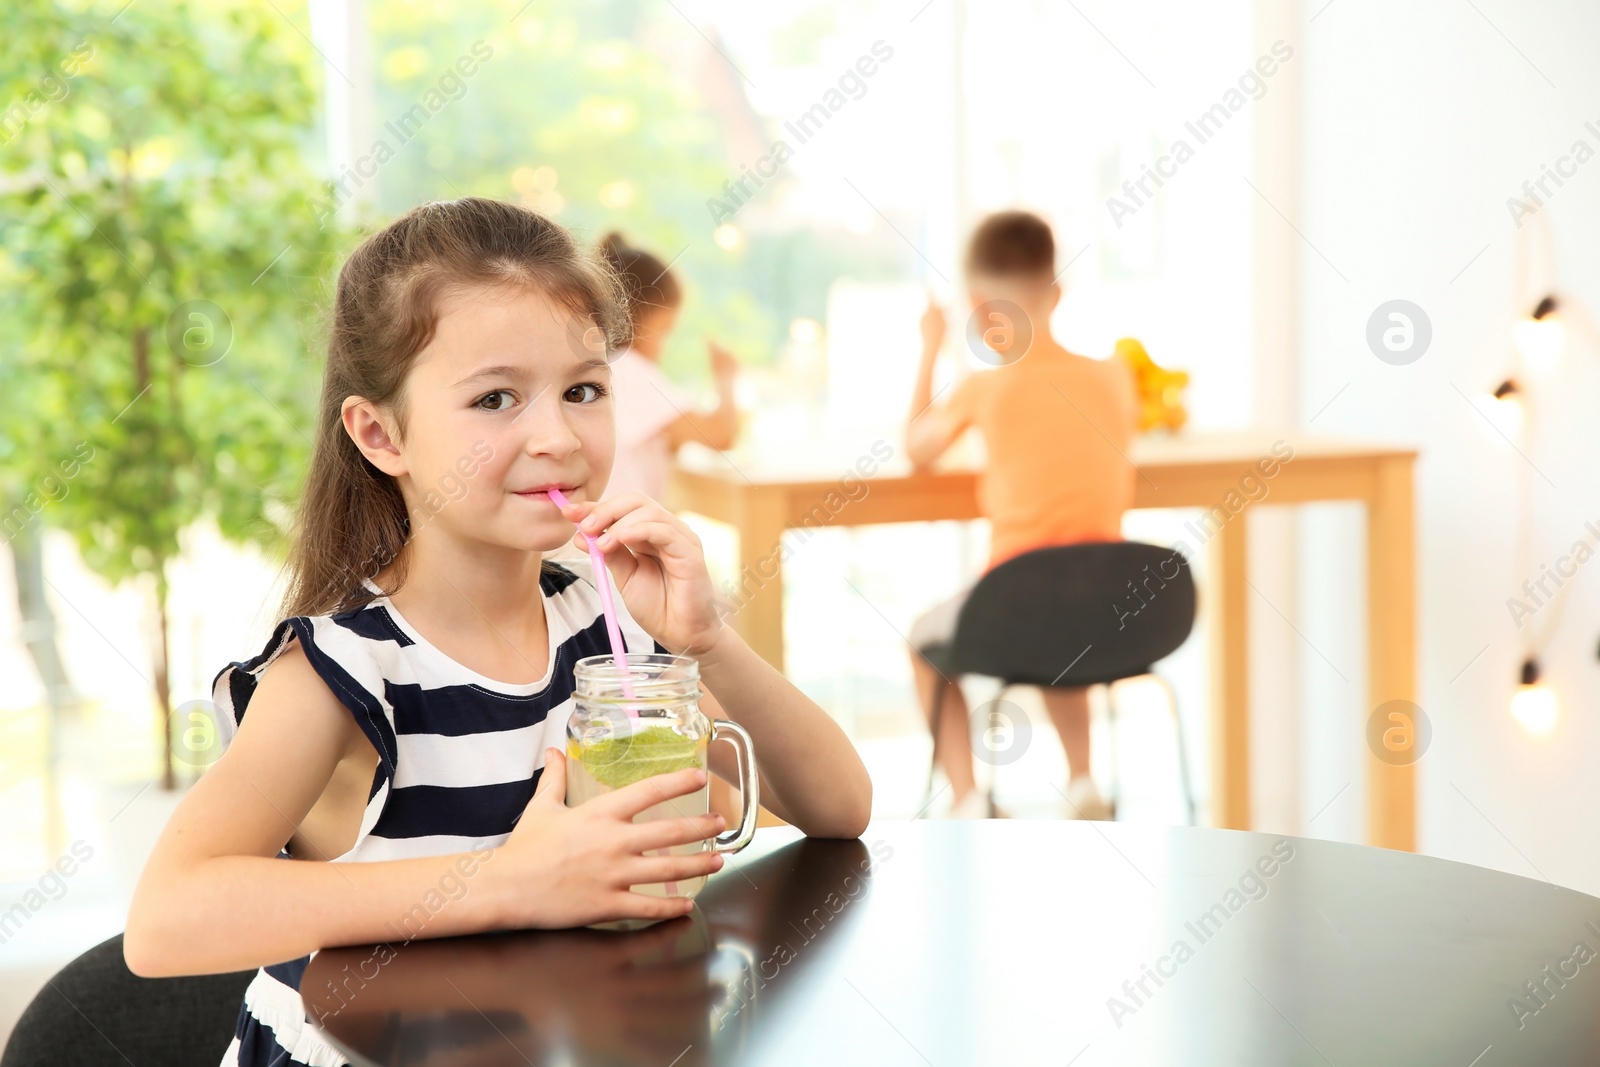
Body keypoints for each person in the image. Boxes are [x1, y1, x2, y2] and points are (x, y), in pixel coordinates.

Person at [122, 198, 871, 1067]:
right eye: (496, 398)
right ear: (379, 433)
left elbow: (839, 808)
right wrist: (509, 885)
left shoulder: (600, 623)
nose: (556, 435)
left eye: (583, 390)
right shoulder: (344, 670)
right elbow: (166, 918)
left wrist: (710, 642)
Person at [905, 210, 1137, 821]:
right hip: (1112, 609)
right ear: (1056, 293)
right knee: (1068, 621)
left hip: (1019, 607)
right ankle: (1083, 781)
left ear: (978, 307)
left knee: (925, 642)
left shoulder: (986, 388)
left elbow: (917, 450)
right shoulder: (1116, 378)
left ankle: (969, 797)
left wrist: (931, 347)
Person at [596, 232, 740, 501]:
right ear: (635, 318)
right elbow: (720, 436)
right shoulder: (630, 369)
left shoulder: (603, 367)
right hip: (622, 528)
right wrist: (726, 376)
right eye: (664, 329)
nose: (664, 345)